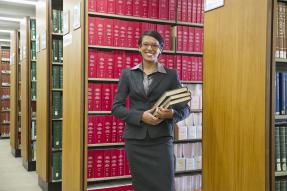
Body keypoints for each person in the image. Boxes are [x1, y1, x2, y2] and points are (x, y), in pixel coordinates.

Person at [112, 30, 191, 191]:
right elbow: (117, 108)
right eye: (146, 44)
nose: (150, 48)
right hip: (135, 140)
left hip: (161, 140)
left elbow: (185, 109)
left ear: (161, 49)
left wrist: (171, 114)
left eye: (155, 45)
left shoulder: (171, 75)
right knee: (141, 186)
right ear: (139, 48)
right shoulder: (127, 75)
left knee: (165, 185)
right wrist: (141, 116)